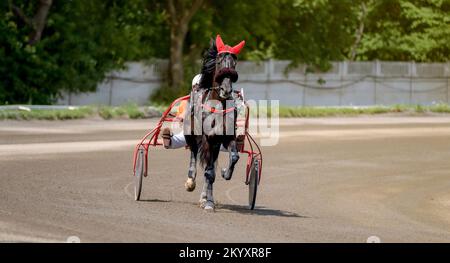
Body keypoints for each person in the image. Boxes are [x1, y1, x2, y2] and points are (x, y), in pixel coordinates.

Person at [162, 74, 201, 149]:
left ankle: (171, 141)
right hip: (191, 131)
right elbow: (181, 118)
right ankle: (169, 141)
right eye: (197, 87)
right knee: (183, 136)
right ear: (193, 87)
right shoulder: (186, 101)